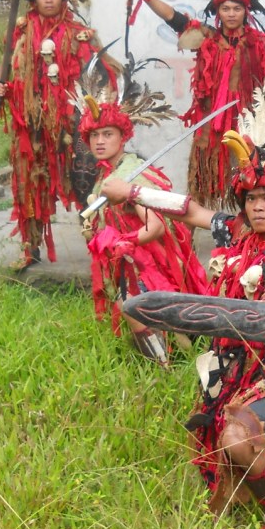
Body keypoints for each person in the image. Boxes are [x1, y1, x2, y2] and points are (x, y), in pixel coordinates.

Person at [100, 77, 265, 529]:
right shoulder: (238, 235)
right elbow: (191, 210)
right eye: (251, 198)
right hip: (232, 373)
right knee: (224, 456)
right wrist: (133, 193)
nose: (257, 207)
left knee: (237, 439)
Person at [0, 0, 119, 270]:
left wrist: (94, 118)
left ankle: (100, 242)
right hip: (30, 124)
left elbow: (100, 78)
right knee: (29, 184)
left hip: (70, 125)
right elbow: (7, 69)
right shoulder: (21, 31)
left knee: (85, 182)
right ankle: (29, 247)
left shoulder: (80, 35)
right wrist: (1, 87)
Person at [78, 93, 209, 366]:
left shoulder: (131, 173)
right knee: (152, 317)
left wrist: (124, 242)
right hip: (128, 263)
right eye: (94, 136)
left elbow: (156, 226)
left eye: (107, 134)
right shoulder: (107, 173)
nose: (100, 141)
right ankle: (179, 363)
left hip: (145, 262)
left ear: (122, 137)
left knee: (137, 310)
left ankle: (164, 371)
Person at [126, 0, 265, 209]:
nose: (231, 14)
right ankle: (189, 238)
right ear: (218, 12)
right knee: (201, 185)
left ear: (245, 11)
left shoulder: (261, 43)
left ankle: (247, 234)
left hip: (247, 124)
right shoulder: (206, 37)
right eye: (225, 8)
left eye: (236, 8)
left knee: (251, 181)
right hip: (210, 127)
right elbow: (172, 17)